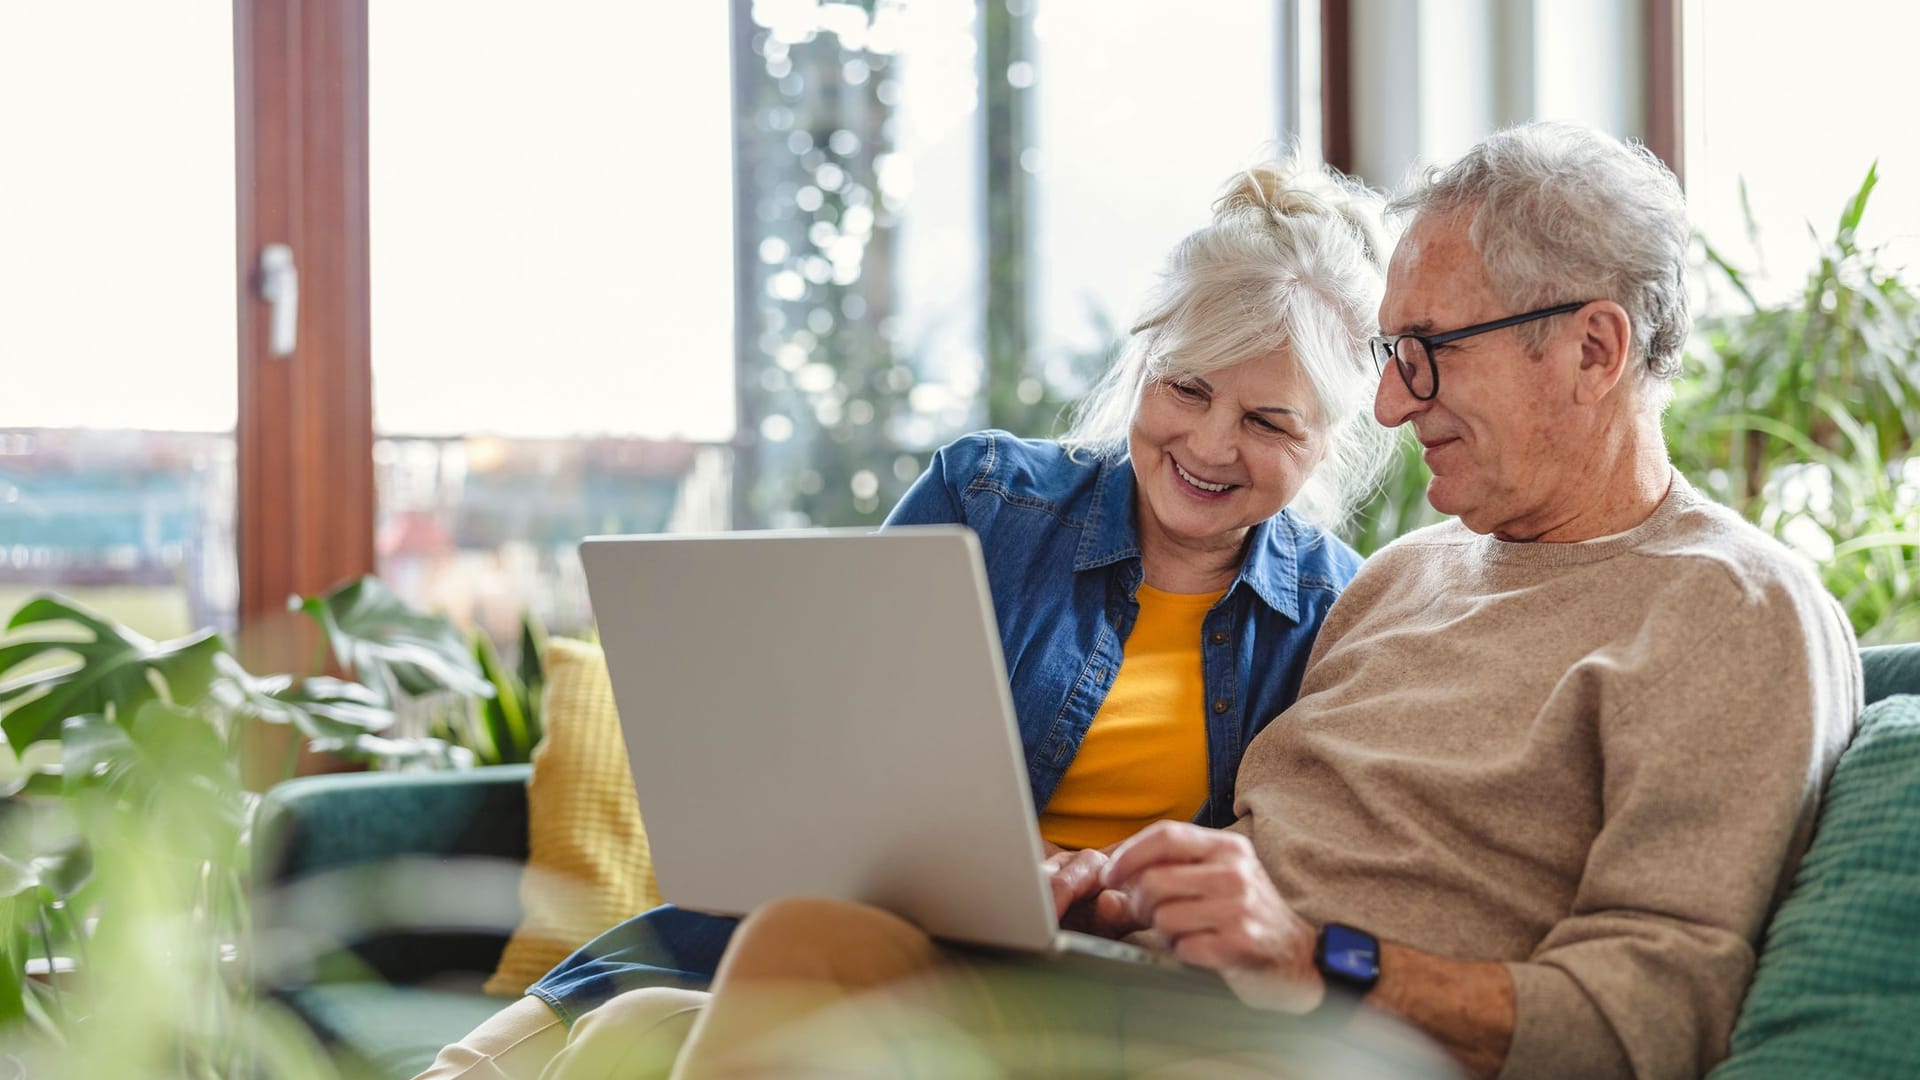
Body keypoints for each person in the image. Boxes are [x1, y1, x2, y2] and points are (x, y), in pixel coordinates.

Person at [519, 120, 1864, 1080]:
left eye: (1423, 356)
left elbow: (1654, 1014)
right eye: (1391, 357)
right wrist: (1132, 892)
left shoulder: (1733, 611)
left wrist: (1318, 955)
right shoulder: (1404, 581)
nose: (1390, 406)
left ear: (1593, 346)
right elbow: (1259, 840)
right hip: (1152, 992)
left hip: (1334, 1041)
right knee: (787, 951)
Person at [413, 155, 1399, 1080]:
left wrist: (1119, 890)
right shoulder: (988, 499)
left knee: (634, 1031)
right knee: (517, 1056)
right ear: (1144, 364)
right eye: (1188, 387)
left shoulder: (1336, 615)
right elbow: (834, 771)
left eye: (1269, 422)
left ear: (1328, 444)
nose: (1211, 442)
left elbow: (1285, 898)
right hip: (836, 928)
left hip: (1078, 987)